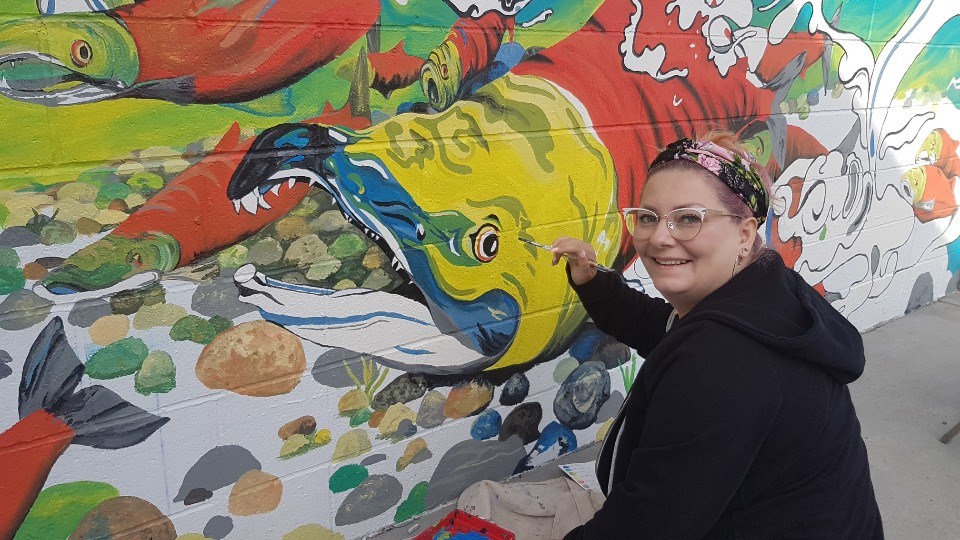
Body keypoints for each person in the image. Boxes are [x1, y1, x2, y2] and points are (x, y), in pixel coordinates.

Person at [552, 133, 884, 539]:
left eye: (689, 218)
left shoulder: (724, 363)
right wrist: (593, 282)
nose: (658, 237)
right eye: (647, 216)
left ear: (745, 233)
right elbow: (662, 327)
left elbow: (647, 523)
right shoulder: (762, 295)